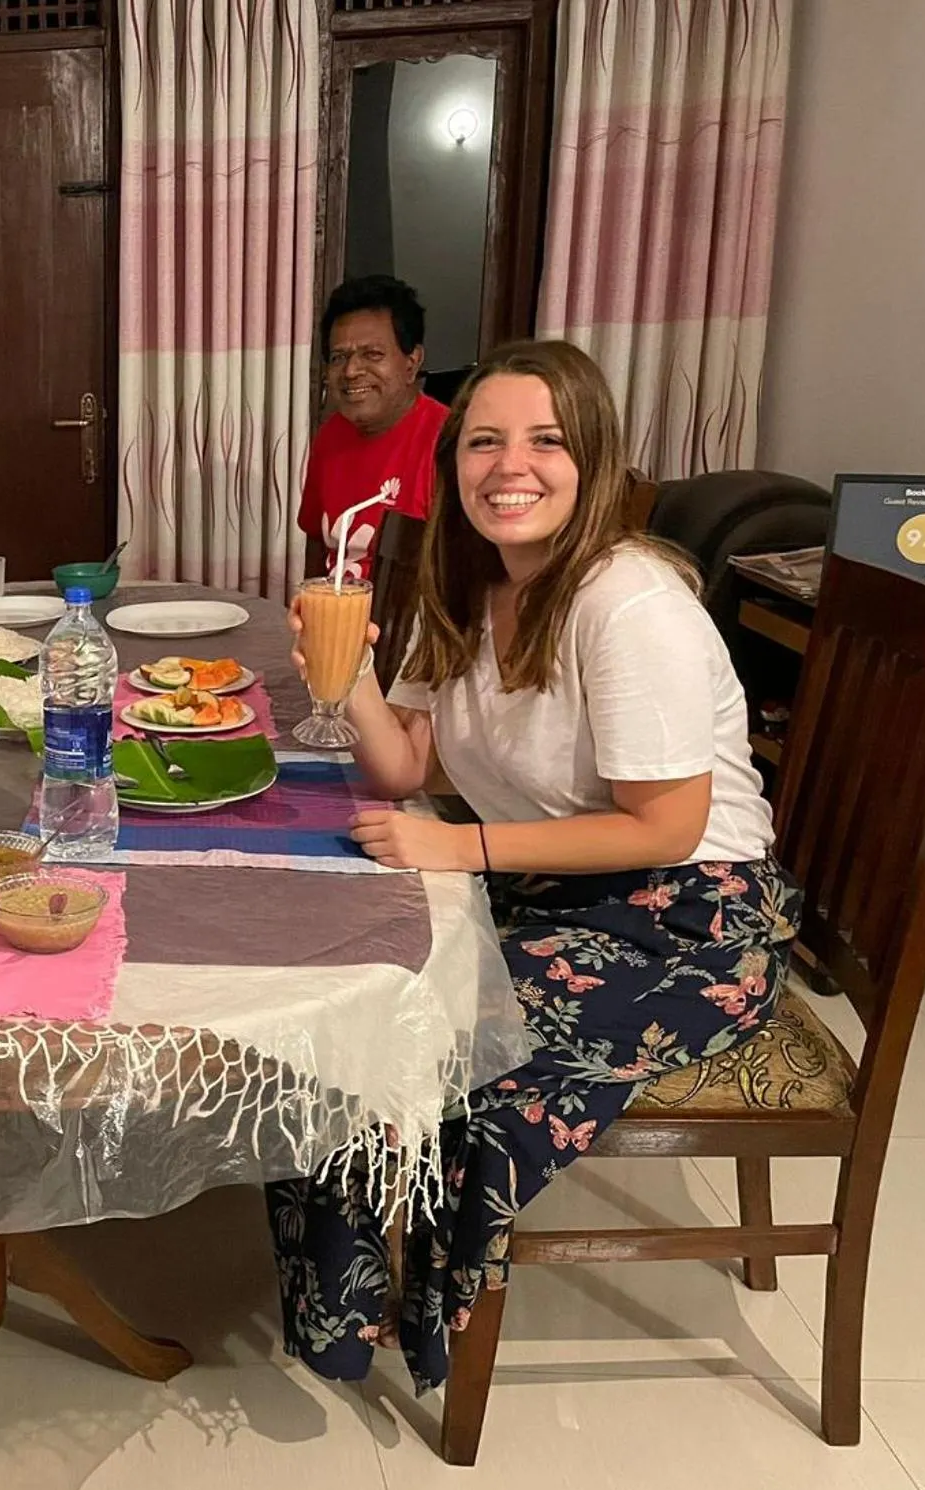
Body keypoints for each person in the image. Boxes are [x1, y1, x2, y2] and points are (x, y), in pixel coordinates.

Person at [269, 339, 800, 1390]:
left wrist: (456, 844)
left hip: (689, 921)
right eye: (482, 442)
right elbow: (405, 762)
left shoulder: (627, 604)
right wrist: (348, 676)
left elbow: (661, 827)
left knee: (440, 1054)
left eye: (543, 441)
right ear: (450, 462)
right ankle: (345, 1303)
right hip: (549, 887)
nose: (508, 466)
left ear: (589, 459)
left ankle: (415, 1307)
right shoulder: (469, 584)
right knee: (338, 994)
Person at [299, 276, 450, 582]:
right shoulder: (331, 436)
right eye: (339, 357)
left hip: (408, 625)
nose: (352, 371)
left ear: (411, 363)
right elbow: (317, 542)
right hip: (336, 621)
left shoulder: (450, 442)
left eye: (373, 354)